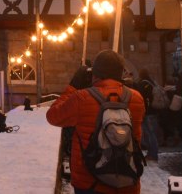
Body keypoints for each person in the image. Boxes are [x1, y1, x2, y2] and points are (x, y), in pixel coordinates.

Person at [47, 50, 145, 194]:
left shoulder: (82, 98)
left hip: (90, 182)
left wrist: (73, 86)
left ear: (95, 73)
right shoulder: (136, 98)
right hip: (126, 182)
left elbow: (53, 116)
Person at [136, 69, 159, 162]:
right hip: (152, 111)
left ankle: (152, 154)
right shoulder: (151, 83)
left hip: (147, 112)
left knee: (150, 134)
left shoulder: (143, 84)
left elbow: (142, 98)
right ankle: (152, 153)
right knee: (150, 133)